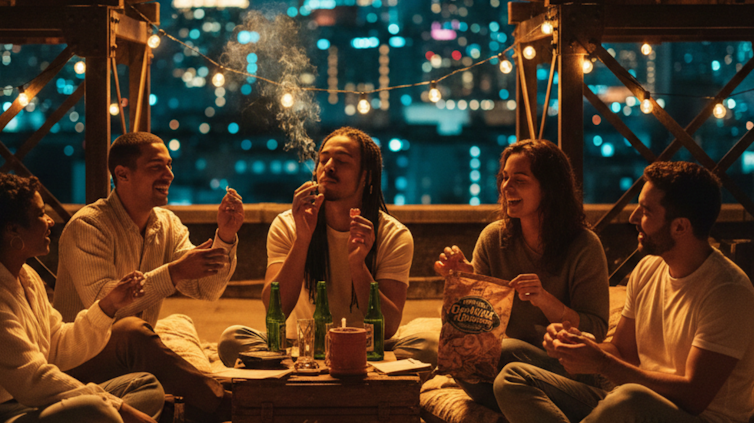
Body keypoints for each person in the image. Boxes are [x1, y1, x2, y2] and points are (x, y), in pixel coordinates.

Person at [494, 161, 754, 423]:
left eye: (645, 211)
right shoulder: (649, 269)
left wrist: (603, 364)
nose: (633, 219)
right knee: (511, 374)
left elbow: (694, 397)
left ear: (680, 227)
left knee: (629, 400)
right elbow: (622, 352)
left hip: (694, 416)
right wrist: (579, 346)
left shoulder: (728, 291)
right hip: (632, 399)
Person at [0, 174, 163, 423]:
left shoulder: (26, 276)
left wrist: (108, 306)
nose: (49, 221)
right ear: (13, 229)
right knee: (97, 410)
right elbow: (33, 379)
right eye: (41, 214)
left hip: (25, 405)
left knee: (146, 386)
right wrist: (117, 407)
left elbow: (56, 344)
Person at [53, 132, 244, 421]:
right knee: (132, 331)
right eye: (157, 167)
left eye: (169, 165)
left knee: (146, 342)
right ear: (122, 174)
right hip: (78, 358)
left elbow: (206, 290)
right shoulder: (89, 227)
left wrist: (226, 236)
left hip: (134, 360)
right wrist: (175, 271)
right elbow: (103, 305)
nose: (169, 174)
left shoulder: (167, 223)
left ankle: (217, 401)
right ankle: (228, 404)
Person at [218, 127, 435, 367]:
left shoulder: (393, 234)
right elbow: (274, 307)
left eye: (342, 161)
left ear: (367, 176)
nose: (328, 167)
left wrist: (357, 263)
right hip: (299, 347)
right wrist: (302, 239)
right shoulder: (288, 224)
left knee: (427, 345)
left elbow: (389, 327)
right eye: (323, 160)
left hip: (368, 350)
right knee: (232, 339)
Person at [435, 139, 609, 411]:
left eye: (519, 179)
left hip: (566, 371)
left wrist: (543, 299)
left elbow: (595, 331)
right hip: (504, 371)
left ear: (550, 188)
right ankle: (521, 406)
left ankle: (525, 403)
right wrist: (466, 285)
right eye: (504, 178)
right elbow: (476, 329)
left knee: (506, 352)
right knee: (459, 355)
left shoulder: (584, 245)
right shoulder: (494, 238)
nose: (506, 187)